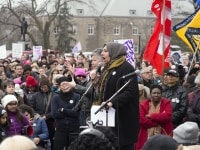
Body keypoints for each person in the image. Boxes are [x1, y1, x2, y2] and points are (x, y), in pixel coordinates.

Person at [93, 42, 139, 150]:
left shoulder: (126, 68)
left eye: (105, 51)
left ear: (114, 52)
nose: (102, 53)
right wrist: (95, 84)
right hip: (108, 117)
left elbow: (130, 92)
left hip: (122, 119)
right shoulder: (106, 69)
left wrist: (112, 102)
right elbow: (103, 91)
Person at [135, 84, 173, 150]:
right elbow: (141, 120)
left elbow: (167, 116)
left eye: (158, 93)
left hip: (164, 133)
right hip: (146, 134)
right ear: (151, 94)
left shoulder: (166, 103)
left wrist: (152, 116)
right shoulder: (143, 104)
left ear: (161, 94)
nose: (156, 95)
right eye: (154, 93)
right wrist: (157, 122)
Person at [51, 76, 80, 150]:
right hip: (60, 129)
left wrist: (63, 110)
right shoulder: (55, 98)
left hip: (74, 129)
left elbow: (76, 113)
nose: (65, 86)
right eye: (62, 85)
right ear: (59, 87)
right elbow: (54, 114)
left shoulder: (77, 96)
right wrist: (70, 112)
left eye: (66, 84)